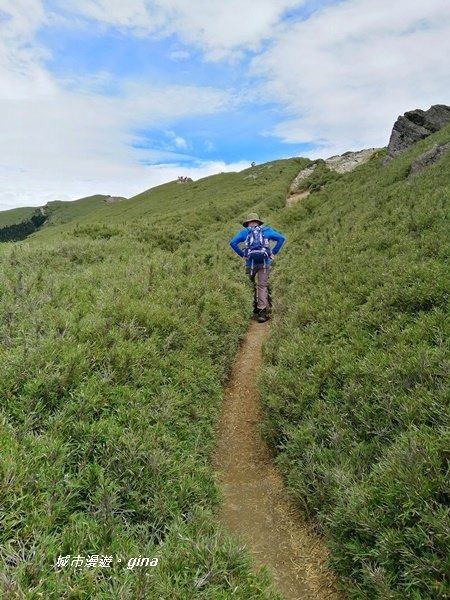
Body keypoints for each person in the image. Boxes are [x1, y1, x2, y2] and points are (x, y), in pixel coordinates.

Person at [229, 213, 285, 322]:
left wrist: (242, 255)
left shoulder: (245, 232)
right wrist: (273, 252)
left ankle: (252, 306)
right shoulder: (266, 230)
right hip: (264, 263)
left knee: (250, 284)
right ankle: (262, 313)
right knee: (262, 286)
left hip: (250, 263)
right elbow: (281, 238)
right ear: (259, 222)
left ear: (248, 223)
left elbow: (232, 243)